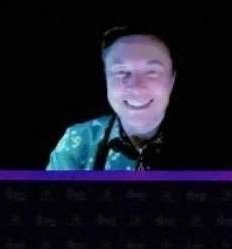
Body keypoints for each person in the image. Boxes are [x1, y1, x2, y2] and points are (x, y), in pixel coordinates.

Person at [46, 25, 176, 171]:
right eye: (121, 71)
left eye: (151, 71)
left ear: (172, 79)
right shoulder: (77, 144)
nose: (136, 88)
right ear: (106, 77)